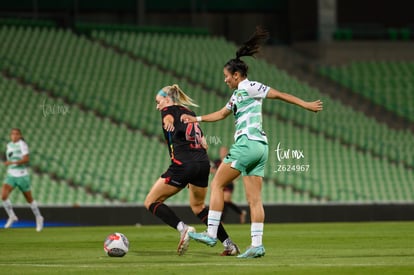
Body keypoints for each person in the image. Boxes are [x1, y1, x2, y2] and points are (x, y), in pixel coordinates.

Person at [182, 26, 323, 258]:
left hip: (247, 144)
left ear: (237, 75)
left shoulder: (249, 86)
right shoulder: (237, 94)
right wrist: (195, 118)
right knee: (254, 199)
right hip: (260, 148)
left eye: (227, 76)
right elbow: (220, 114)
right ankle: (257, 245)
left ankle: (210, 233)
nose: (225, 79)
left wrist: (305, 104)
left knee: (217, 184)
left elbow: (278, 94)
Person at [144, 84, 240, 256]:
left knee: (150, 202)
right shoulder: (190, 113)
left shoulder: (168, 110)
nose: (157, 106)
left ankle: (183, 229)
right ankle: (229, 245)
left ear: (167, 99)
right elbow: (204, 142)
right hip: (203, 164)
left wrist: (168, 122)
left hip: (183, 164)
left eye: (158, 102)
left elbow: (168, 119)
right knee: (198, 207)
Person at [2, 128, 44, 232]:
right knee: (3, 195)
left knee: (29, 198)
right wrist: (10, 163)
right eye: (12, 134)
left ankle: (39, 217)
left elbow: (26, 159)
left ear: (20, 135)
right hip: (11, 175)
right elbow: (10, 158)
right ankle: (12, 216)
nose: (14, 136)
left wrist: (12, 163)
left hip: (22, 175)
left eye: (16, 134)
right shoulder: (9, 145)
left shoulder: (23, 144)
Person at [211, 146, 246, 224]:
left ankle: (221, 220)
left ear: (227, 152)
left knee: (225, 200)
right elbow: (211, 170)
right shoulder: (216, 161)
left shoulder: (231, 160)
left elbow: (238, 170)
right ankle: (240, 212)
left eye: (224, 151)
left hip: (229, 182)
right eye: (221, 151)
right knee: (224, 201)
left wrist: (234, 178)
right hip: (220, 183)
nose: (222, 152)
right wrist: (215, 172)